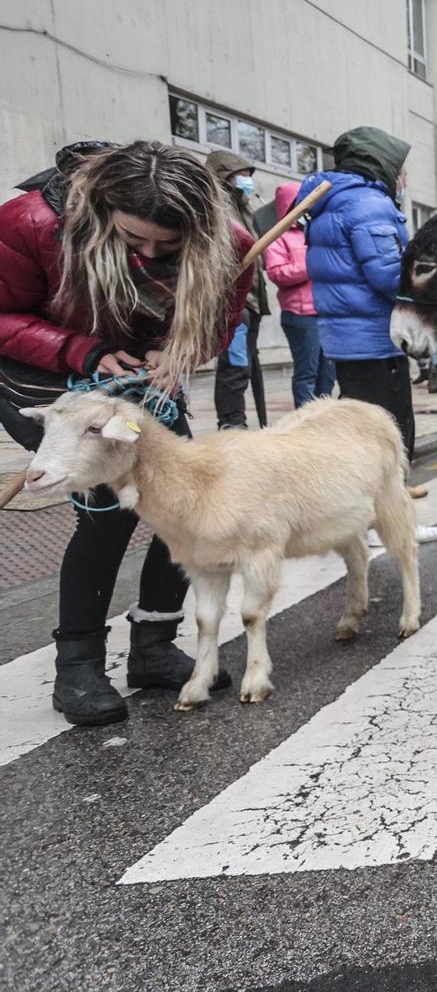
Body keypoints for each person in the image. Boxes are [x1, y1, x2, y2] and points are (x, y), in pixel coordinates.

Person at [0, 141, 253, 725]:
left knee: (181, 498)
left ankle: (155, 646)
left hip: (141, 377)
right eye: (133, 240)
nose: (150, 254)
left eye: (170, 246)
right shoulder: (31, 221)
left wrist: (177, 350)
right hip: (44, 373)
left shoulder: (231, 242)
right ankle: (79, 667)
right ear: (100, 210)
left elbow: (219, 321)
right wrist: (81, 349)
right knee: (109, 511)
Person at [300, 126, 437, 543]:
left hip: (346, 338)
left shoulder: (331, 203)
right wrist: (430, 274)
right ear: (380, 164)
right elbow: (387, 275)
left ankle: (365, 520)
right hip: (375, 336)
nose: (404, 178)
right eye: (401, 169)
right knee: (391, 435)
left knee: (363, 436)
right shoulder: (368, 204)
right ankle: (392, 524)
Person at [204, 149, 270, 430]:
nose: (247, 180)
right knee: (235, 365)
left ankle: (237, 421)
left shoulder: (243, 208)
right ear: (224, 176)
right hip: (232, 303)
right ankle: (232, 423)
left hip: (251, 301)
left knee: (244, 367)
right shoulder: (216, 208)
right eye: (241, 175)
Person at [260, 181, 337, 406]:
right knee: (307, 373)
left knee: (328, 374)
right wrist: (310, 263)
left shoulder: (316, 231)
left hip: (325, 311)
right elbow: (277, 273)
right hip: (300, 315)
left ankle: (325, 421)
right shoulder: (277, 237)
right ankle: (306, 423)